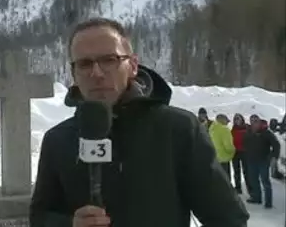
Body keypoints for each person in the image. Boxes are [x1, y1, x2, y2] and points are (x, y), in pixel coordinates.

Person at [30, 18, 248, 227]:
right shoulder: (57, 139)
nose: (96, 73)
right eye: (85, 64)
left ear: (133, 65)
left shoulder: (178, 129)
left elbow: (228, 219)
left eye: (109, 60)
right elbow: (39, 217)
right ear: (74, 74)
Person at [244, 118, 281, 208]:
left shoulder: (266, 132)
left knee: (265, 182)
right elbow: (245, 144)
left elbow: (276, 145)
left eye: (256, 121)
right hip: (251, 161)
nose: (254, 123)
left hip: (263, 161)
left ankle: (268, 202)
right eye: (252, 121)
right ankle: (257, 198)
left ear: (260, 122)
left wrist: (272, 157)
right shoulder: (248, 132)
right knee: (254, 180)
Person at [209, 114, 236, 180]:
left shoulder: (211, 129)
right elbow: (228, 146)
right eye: (227, 121)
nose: (227, 123)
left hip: (216, 158)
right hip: (224, 158)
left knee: (219, 179)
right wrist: (233, 151)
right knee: (226, 178)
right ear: (223, 120)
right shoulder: (224, 129)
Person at [231, 113, 251, 194]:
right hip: (235, 152)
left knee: (247, 171)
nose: (237, 120)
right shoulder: (233, 129)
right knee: (236, 171)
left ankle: (250, 189)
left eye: (238, 118)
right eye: (235, 119)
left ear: (242, 119)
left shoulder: (247, 128)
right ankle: (238, 188)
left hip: (245, 152)